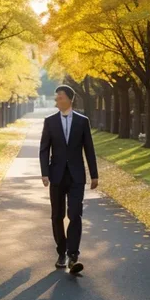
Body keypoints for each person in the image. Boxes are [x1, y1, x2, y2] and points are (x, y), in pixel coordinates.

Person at [39, 84, 99, 275]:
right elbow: (44, 149)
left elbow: (89, 148)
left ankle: (73, 255)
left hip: (76, 176)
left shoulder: (82, 121)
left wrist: (94, 174)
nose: (57, 100)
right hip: (56, 175)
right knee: (57, 215)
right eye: (56, 98)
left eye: (60, 97)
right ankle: (61, 253)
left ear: (69, 99)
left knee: (75, 214)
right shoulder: (50, 121)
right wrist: (44, 172)